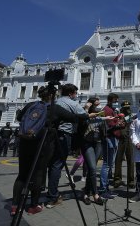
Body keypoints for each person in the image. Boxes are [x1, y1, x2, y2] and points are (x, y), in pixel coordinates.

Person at [11, 85, 89, 216]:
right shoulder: (55, 109)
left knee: (22, 175)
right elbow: (77, 118)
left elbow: (19, 118)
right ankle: (33, 206)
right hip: (43, 144)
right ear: (53, 96)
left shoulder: (30, 105)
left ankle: (14, 206)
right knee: (38, 174)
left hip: (25, 142)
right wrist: (86, 111)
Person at [46, 83, 89, 209]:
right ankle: (52, 196)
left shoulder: (56, 101)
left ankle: (50, 193)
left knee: (52, 164)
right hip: (64, 135)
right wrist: (86, 109)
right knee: (57, 165)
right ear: (71, 94)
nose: (76, 96)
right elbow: (84, 116)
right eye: (75, 93)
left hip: (50, 135)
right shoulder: (72, 103)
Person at [81, 97, 112, 205]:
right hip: (87, 142)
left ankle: (86, 193)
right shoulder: (84, 111)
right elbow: (82, 121)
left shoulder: (100, 113)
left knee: (91, 170)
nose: (98, 105)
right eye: (96, 103)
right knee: (93, 168)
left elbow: (104, 126)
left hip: (98, 142)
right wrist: (86, 108)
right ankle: (95, 194)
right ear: (91, 103)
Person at [100, 93, 124, 199]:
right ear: (110, 100)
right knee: (106, 165)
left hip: (114, 138)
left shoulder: (112, 110)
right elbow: (109, 126)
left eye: (117, 100)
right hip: (109, 138)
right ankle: (102, 189)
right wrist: (118, 124)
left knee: (109, 165)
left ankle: (106, 188)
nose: (116, 102)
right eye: (115, 100)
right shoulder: (107, 110)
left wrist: (119, 122)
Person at [113, 100, 135, 189]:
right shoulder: (118, 116)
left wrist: (128, 117)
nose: (127, 109)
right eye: (125, 108)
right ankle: (117, 179)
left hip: (129, 139)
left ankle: (131, 181)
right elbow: (115, 125)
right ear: (122, 108)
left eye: (128, 108)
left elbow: (132, 123)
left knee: (130, 160)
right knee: (118, 160)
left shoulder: (130, 116)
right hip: (120, 139)